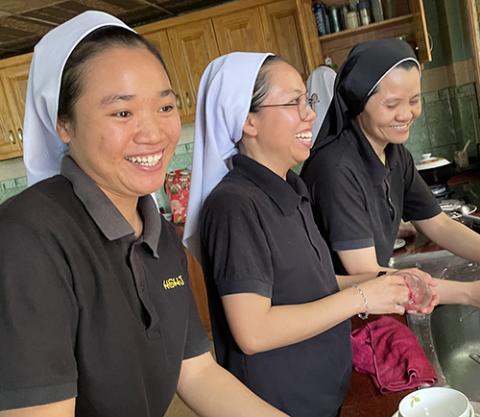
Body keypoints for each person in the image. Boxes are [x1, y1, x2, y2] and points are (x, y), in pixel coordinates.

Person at [0, 11, 290, 417]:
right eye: (123, 112)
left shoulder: (158, 234)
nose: (153, 133)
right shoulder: (27, 238)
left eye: (165, 106)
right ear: (63, 124)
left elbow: (197, 372)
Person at [183, 52, 436, 417]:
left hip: (326, 389)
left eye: (308, 100)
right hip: (283, 403)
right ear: (247, 121)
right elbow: (253, 332)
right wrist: (363, 297)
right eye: (293, 102)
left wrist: (389, 279)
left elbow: (313, 283)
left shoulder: (290, 186)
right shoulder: (234, 205)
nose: (310, 114)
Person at [301, 38, 480, 306]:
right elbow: (365, 274)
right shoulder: (335, 169)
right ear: (358, 101)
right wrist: (469, 294)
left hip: (374, 307)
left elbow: (439, 225)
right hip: (340, 322)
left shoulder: (395, 154)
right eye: (392, 104)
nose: (406, 114)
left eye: (414, 100)